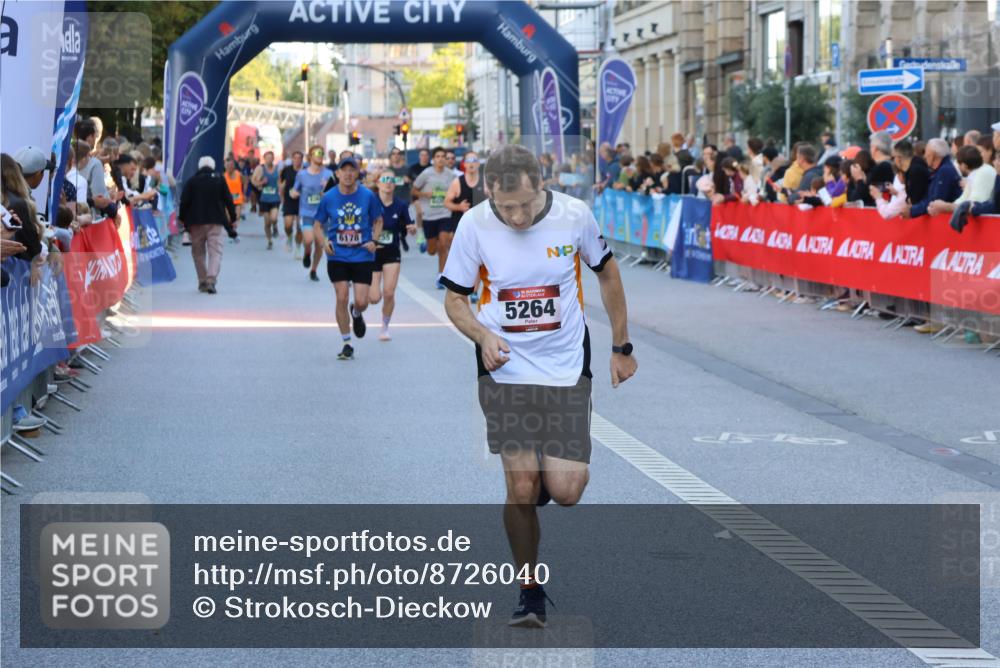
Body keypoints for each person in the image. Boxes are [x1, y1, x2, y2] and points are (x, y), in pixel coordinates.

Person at [440, 144, 636, 629]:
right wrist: (483, 335)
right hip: (504, 371)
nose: (518, 216)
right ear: (488, 192)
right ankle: (528, 590)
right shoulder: (475, 225)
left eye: (526, 204)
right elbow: (455, 300)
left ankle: (540, 484)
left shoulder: (574, 216)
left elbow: (607, 273)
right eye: (507, 207)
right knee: (521, 485)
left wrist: (621, 346)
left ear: (541, 185)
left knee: (566, 491)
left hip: (567, 366)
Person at [311, 156, 383, 361]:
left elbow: (378, 220)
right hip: (338, 255)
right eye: (345, 170)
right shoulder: (329, 197)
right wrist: (324, 241)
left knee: (362, 301)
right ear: (338, 174)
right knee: (341, 296)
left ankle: (357, 313)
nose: (349, 174)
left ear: (358, 173)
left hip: (362, 255)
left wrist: (374, 241)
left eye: (353, 170)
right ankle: (346, 342)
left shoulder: (368, 196)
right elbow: (317, 224)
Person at [178, 156, 238, 294]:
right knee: (215, 252)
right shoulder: (219, 180)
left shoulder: (192, 181)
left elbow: (184, 201)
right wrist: (233, 218)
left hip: (195, 223)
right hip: (215, 222)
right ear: (212, 166)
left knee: (198, 253)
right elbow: (228, 200)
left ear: (199, 167)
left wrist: (182, 218)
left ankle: (202, 280)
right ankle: (211, 280)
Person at [370, 171, 416, 341]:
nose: (388, 183)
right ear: (378, 183)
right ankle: (357, 308)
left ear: (395, 184)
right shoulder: (370, 201)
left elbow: (407, 225)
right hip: (372, 252)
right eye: (385, 180)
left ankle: (384, 327)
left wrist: (411, 228)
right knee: (374, 298)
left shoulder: (401, 205)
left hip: (392, 252)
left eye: (392, 180)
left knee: (389, 293)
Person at [412, 146, 456, 288]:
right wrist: (425, 195)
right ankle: (430, 244)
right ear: (433, 159)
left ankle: (441, 275)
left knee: (444, 243)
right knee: (432, 251)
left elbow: (457, 191)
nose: (441, 159)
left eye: (443, 156)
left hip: (445, 213)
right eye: (438, 156)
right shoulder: (426, 174)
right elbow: (414, 190)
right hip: (429, 216)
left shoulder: (451, 175)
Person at [290, 145, 335, 281]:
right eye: (317, 153)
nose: (320, 155)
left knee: (320, 244)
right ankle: (306, 253)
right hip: (306, 212)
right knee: (309, 239)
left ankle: (313, 270)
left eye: (322, 153)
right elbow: (294, 189)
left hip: (322, 215)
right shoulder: (302, 174)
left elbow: (334, 192)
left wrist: (326, 193)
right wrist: (293, 194)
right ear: (310, 156)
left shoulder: (328, 174)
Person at [928, 145, 997, 215]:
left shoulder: (984, 172)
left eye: (958, 164)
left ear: (964, 165)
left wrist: (946, 206)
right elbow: (964, 198)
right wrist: (940, 206)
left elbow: (974, 203)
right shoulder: (975, 173)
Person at [906, 138, 963, 218]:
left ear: (933, 155)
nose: (925, 156)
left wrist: (912, 210)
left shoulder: (945, 170)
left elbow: (935, 201)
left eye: (926, 152)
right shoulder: (940, 170)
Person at [252, 150, 281, 250]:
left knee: (273, 218)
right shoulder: (260, 169)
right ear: (264, 159)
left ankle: (275, 226)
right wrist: (261, 183)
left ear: (273, 158)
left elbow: (280, 182)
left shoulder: (278, 168)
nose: (269, 159)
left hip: (275, 198)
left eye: (271, 157)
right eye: (267, 158)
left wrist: (282, 192)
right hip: (264, 199)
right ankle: (269, 240)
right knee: (267, 223)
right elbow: (253, 181)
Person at [891, 140, 930, 209]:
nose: (893, 161)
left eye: (893, 158)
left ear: (899, 158)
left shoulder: (916, 171)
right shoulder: (913, 168)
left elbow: (916, 200)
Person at [280, 150, 304, 256]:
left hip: (302, 202)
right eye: (295, 157)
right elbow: (281, 184)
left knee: (300, 227)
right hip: (289, 201)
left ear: (302, 160)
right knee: (288, 225)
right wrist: (281, 198)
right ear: (292, 159)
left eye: (299, 158)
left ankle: (298, 248)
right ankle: (289, 237)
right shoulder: (286, 170)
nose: (297, 160)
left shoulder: (305, 171)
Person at [223, 157, 246, 222]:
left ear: (234, 166)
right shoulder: (223, 176)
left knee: (237, 216)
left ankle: (232, 226)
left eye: (231, 165)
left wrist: (244, 194)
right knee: (228, 218)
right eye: (228, 165)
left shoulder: (239, 174)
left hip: (237, 199)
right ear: (225, 166)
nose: (229, 167)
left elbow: (245, 183)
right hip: (227, 200)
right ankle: (230, 228)